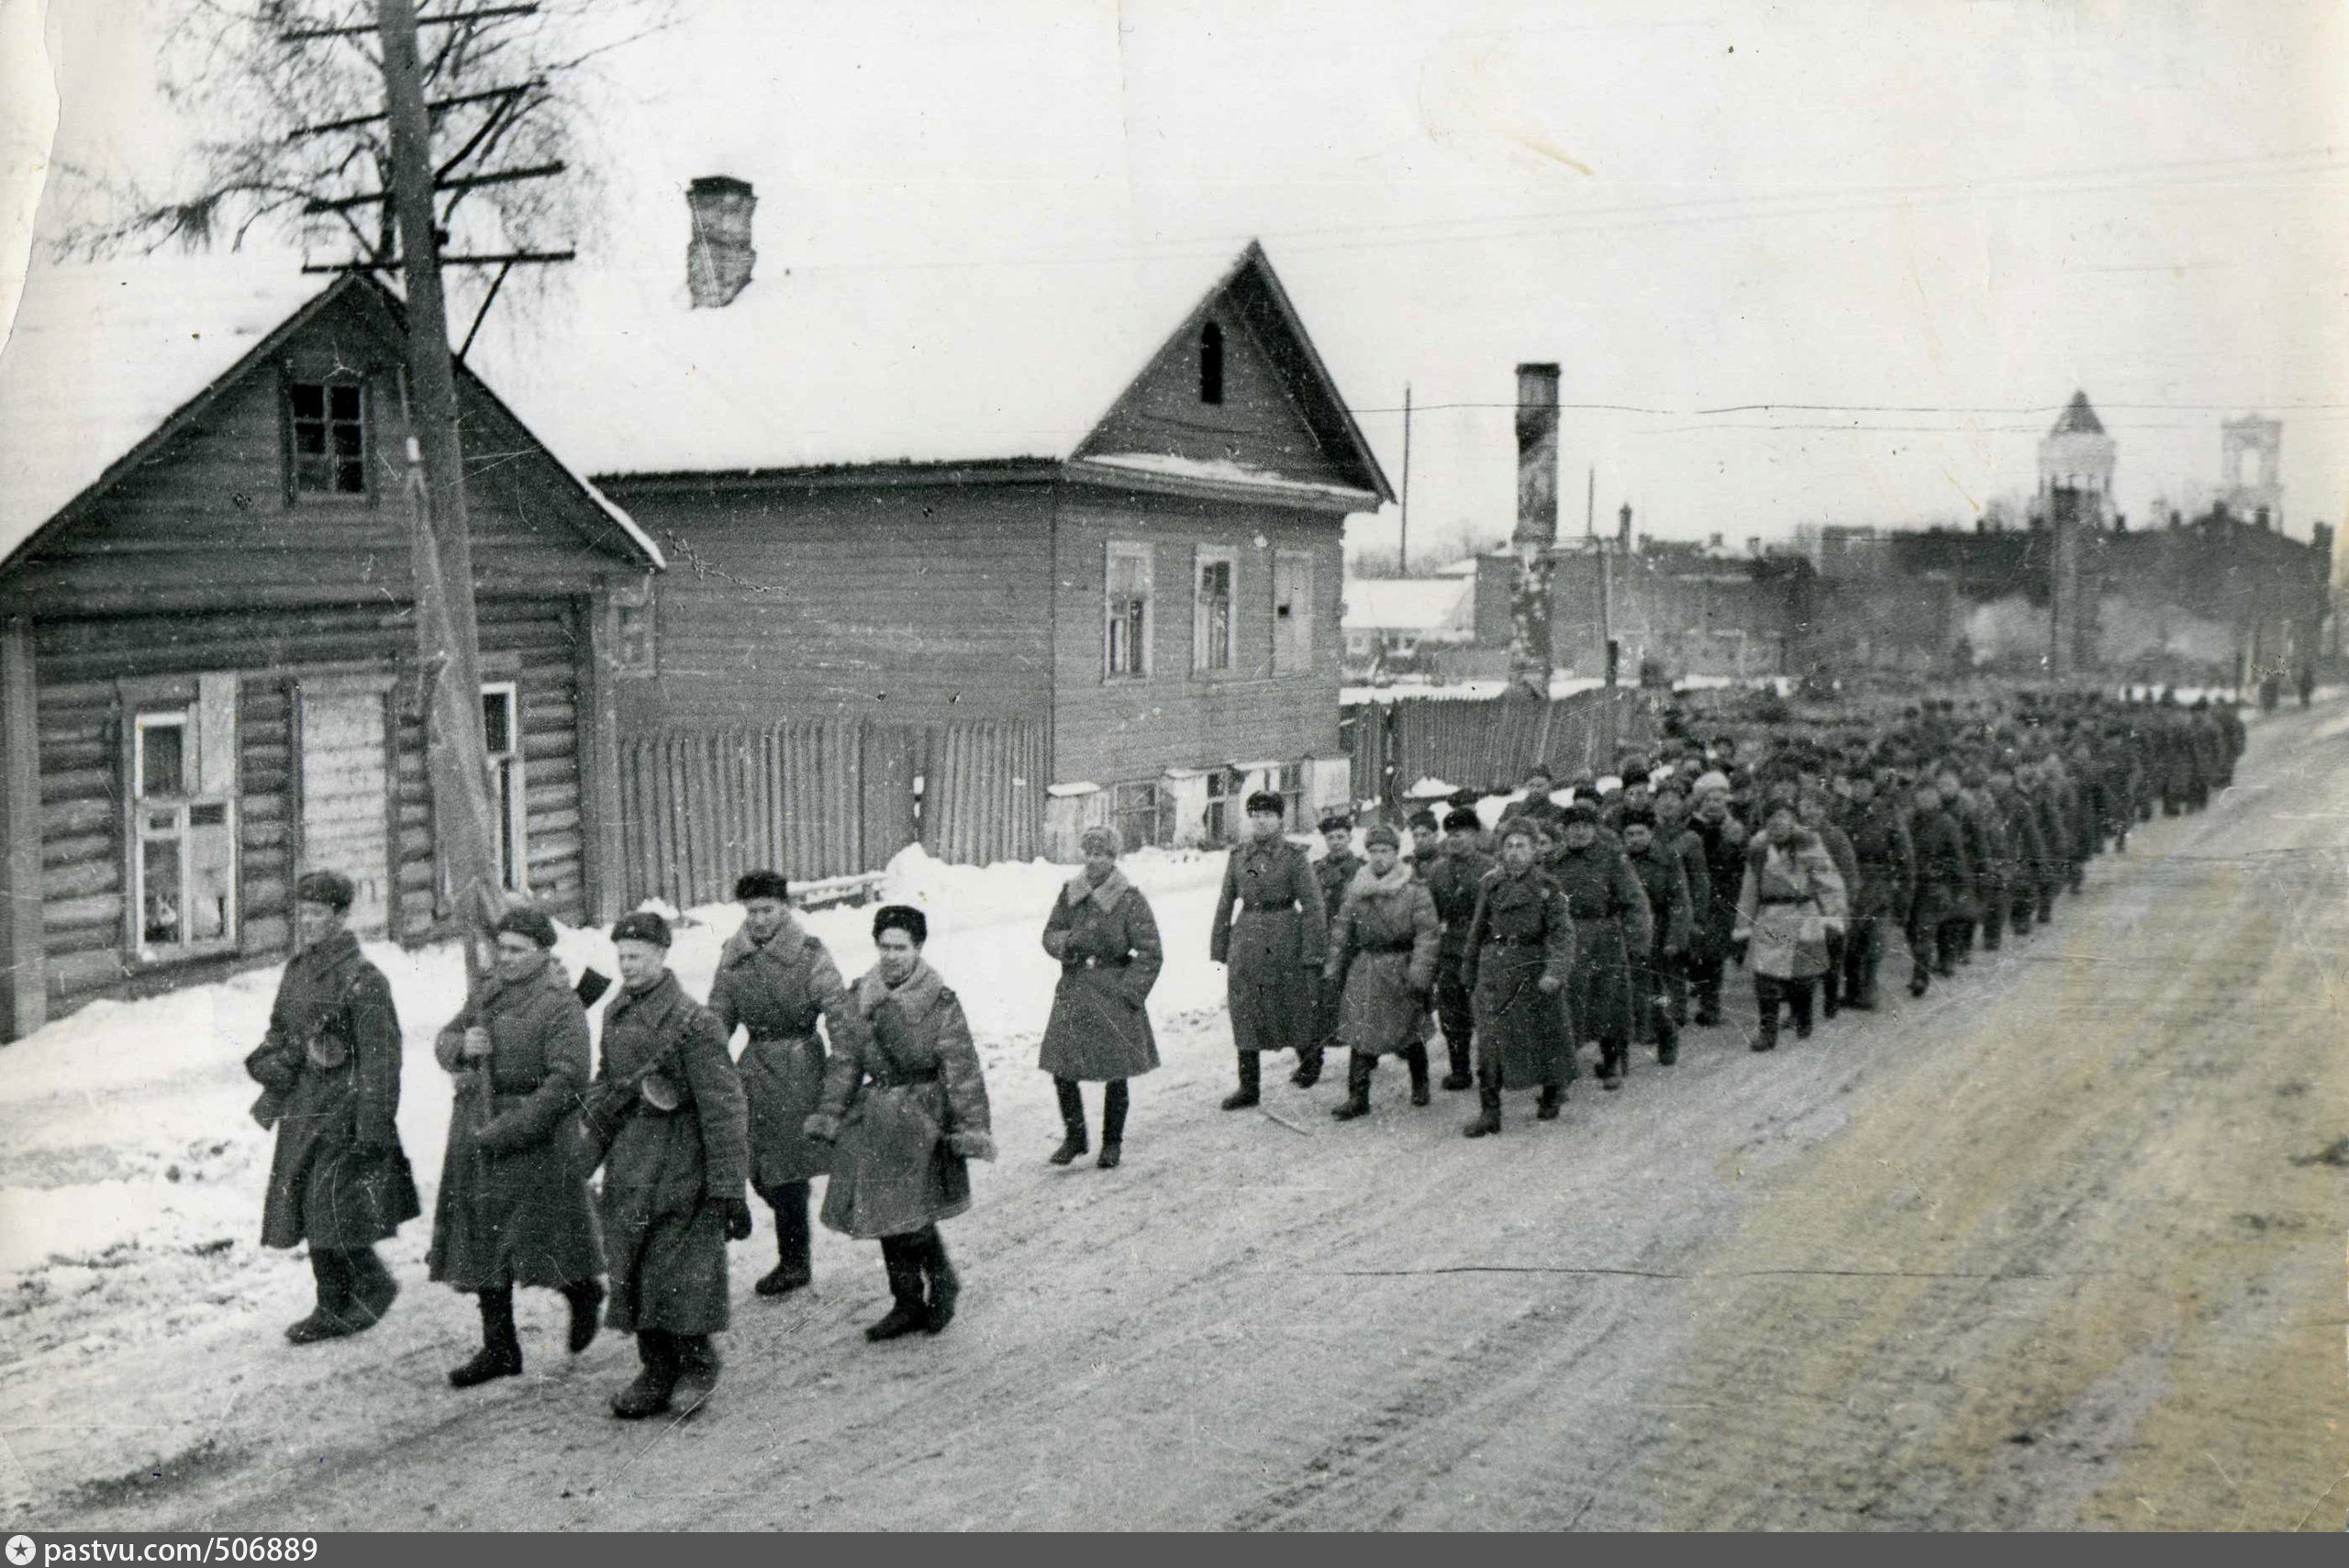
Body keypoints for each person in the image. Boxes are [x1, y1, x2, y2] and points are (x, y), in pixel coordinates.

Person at [428, 906, 607, 1387]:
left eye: (516, 950)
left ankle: (582, 1291)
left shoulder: (560, 1003)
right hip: (478, 1122)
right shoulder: (487, 990)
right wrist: (465, 1045)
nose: (505, 958)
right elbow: (443, 1039)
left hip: (534, 1136)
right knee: (483, 1238)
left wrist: (514, 1127)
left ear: (543, 953)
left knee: (539, 1235)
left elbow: (568, 1080)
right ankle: (500, 1347)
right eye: (501, 948)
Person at [584, 911, 751, 1420]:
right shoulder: (614, 1014)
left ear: (662, 956)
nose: (627, 966)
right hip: (630, 1165)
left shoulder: (693, 1023)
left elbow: (725, 1108)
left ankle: (697, 1366)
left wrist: (728, 1188)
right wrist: (581, 1155)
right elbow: (606, 1087)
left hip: (683, 1166)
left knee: (678, 1272)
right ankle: (654, 1369)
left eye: (637, 957)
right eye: (622, 957)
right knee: (631, 1266)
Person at [244, 870, 418, 1345]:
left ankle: (371, 1287)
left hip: (344, 1110)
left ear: (342, 916)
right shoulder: (297, 969)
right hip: (302, 1105)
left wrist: (372, 1127)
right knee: (305, 1204)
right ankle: (331, 1303)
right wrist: (268, 1060)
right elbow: (279, 1029)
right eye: (302, 913)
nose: (307, 922)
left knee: (329, 1206)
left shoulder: (364, 981)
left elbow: (383, 1063)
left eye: (318, 913)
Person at [806, 905, 995, 1342]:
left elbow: (962, 1069)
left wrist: (970, 1126)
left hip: (922, 1116)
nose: (891, 955)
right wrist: (830, 1113)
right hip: (877, 1116)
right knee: (884, 1213)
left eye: (901, 947)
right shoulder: (860, 996)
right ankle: (906, 1301)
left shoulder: (941, 1002)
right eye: (884, 946)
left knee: (909, 1214)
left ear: (919, 948)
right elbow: (846, 1061)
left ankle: (942, 1279)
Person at [707, 870, 865, 1297]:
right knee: (758, 1166)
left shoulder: (810, 955)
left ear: (786, 909)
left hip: (800, 1068)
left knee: (785, 1168)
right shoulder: (733, 956)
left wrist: (840, 1075)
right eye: (752, 911)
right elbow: (717, 1017)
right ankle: (794, 1243)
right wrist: (704, 1057)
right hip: (754, 1068)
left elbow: (839, 1015)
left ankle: (795, 1261)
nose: (758, 919)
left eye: (768, 910)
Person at [1039, 825, 1163, 1169]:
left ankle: (1112, 1144)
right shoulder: (1070, 893)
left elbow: (1151, 952)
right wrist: (1065, 945)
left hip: (1114, 993)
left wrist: (1128, 993)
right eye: (1090, 853)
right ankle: (1075, 1137)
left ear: (1113, 858)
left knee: (1115, 1072)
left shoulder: (1129, 899)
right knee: (1062, 1067)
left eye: (1103, 854)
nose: (1094, 860)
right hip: (1075, 989)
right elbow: (1049, 933)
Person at [1208, 794, 1330, 1104]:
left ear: (1280, 820)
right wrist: (1220, 946)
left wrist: (1313, 950)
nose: (1261, 820)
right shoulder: (1238, 857)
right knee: (1245, 1009)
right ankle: (1249, 1087)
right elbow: (1225, 902)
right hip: (1247, 939)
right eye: (1256, 815)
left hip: (1286, 936)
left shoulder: (1294, 857)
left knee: (1292, 1003)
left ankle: (1310, 1058)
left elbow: (1314, 906)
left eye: (1268, 815)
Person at [1458, 819, 1577, 1136]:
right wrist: (1469, 969)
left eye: (1521, 846)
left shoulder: (1548, 887)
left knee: (1544, 1035)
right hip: (1495, 969)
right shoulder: (1491, 884)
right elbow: (1478, 929)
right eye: (1508, 846)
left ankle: (1552, 1092)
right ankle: (1490, 1112)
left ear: (1535, 849)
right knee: (1489, 1040)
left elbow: (1562, 934)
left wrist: (1555, 972)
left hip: (1532, 968)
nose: (1514, 853)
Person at [1324, 823, 1442, 1119]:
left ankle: (1420, 1082)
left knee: (1409, 1031)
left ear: (1396, 853)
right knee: (1361, 1031)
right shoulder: (1357, 887)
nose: (1378, 857)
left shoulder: (1414, 889)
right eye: (1373, 851)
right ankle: (1357, 1096)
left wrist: (1420, 973)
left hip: (1401, 968)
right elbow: (1341, 930)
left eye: (1385, 851)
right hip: (1367, 968)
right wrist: (1333, 967)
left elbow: (1427, 936)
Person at [1548, 801, 1653, 1088]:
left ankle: (1611, 1063)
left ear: (1595, 829)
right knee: (1565, 1002)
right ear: (1564, 830)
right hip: (1565, 940)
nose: (1579, 833)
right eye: (1572, 827)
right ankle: (1562, 1067)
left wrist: (1636, 941)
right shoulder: (1554, 861)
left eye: (1585, 827)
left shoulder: (1611, 859)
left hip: (1605, 937)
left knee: (1609, 1001)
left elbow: (1634, 902)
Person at [1731, 802, 1847, 1051]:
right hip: (1770, 917)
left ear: (1793, 821)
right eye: (1771, 819)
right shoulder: (1759, 850)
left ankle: (1803, 1015)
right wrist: (1743, 925)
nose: (1778, 824)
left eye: (1783, 818)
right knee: (1764, 977)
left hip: (1803, 916)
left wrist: (1834, 916)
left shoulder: (1809, 846)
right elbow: (1750, 889)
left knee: (1802, 978)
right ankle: (1767, 1032)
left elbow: (1829, 882)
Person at [1422, 807, 1493, 1091]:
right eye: (1450, 834)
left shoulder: (1490, 867)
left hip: (1483, 948)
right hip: (1451, 949)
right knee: (1452, 1013)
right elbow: (1430, 913)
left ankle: (1490, 1070)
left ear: (1475, 836)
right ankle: (1460, 1070)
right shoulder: (1437, 870)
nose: (1454, 839)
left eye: (1461, 833)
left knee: (1485, 1011)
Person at [1618, 805, 1691, 1065]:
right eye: (1629, 834)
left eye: (1640, 833)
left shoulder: (1667, 858)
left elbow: (1679, 901)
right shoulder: (1619, 861)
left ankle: (1666, 1033)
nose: (1635, 839)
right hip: (1628, 930)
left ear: (1651, 833)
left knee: (1656, 991)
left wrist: (1675, 937)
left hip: (1659, 931)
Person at [1839, 768, 1912, 1009]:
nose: (1859, 790)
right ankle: (1851, 990)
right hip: (1849, 882)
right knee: (1850, 939)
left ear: (1873, 788)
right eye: (1855, 785)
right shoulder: (1842, 815)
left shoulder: (1888, 815)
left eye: (1864, 785)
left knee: (1874, 940)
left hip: (1879, 883)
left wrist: (1903, 889)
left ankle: (1869, 989)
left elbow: (1905, 856)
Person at [1684, 773, 1748, 1026]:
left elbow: (1743, 863)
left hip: (1723, 898)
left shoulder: (1735, 828)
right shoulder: (1692, 827)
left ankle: (1711, 1007)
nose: (1713, 804)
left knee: (1714, 954)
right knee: (1696, 951)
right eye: (1708, 800)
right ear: (1700, 802)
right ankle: (1703, 996)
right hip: (1696, 896)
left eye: (1718, 800)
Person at [1796, 789, 1860, 1015]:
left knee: (1832, 955)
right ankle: (1799, 1011)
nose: (1810, 811)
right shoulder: (1795, 834)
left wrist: (1847, 902)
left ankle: (1830, 998)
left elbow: (1849, 871)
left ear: (1825, 810)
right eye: (1806, 805)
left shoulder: (1835, 836)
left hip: (1831, 903)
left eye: (1816, 806)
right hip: (1803, 903)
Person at [1309, 813, 1364, 1076]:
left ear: (1350, 838)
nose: (1336, 842)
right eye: (1331, 838)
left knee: (1357, 1002)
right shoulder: (1315, 870)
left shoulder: (1363, 869)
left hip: (1354, 946)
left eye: (1341, 837)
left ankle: (1366, 1055)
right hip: (1324, 944)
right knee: (1318, 1004)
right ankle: (1313, 1062)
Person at [1653, 787, 1711, 1028]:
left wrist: (1698, 915)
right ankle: (1656, 1013)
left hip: (1679, 906)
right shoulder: (1647, 835)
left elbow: (1700, 879)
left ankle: (1677, 1011)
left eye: (1674, 800)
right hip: (1653, 906)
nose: (1668, 804)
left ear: (1683, 806)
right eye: (1663, 799)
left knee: (1674, 961)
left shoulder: (1690, 838)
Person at [1906, 779, 1967, 993]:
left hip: (1934, 885)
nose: (1924, 801)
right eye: (1920, 797)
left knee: (1924, 930)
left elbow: (1957, 857)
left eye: (1929, 796)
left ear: (1937, 798)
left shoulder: (1946, 823)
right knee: (1911, 930)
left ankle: (1920, 977)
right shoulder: (1910, 821)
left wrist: (1956, 887)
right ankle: (1926, 964)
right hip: (1911, 885)